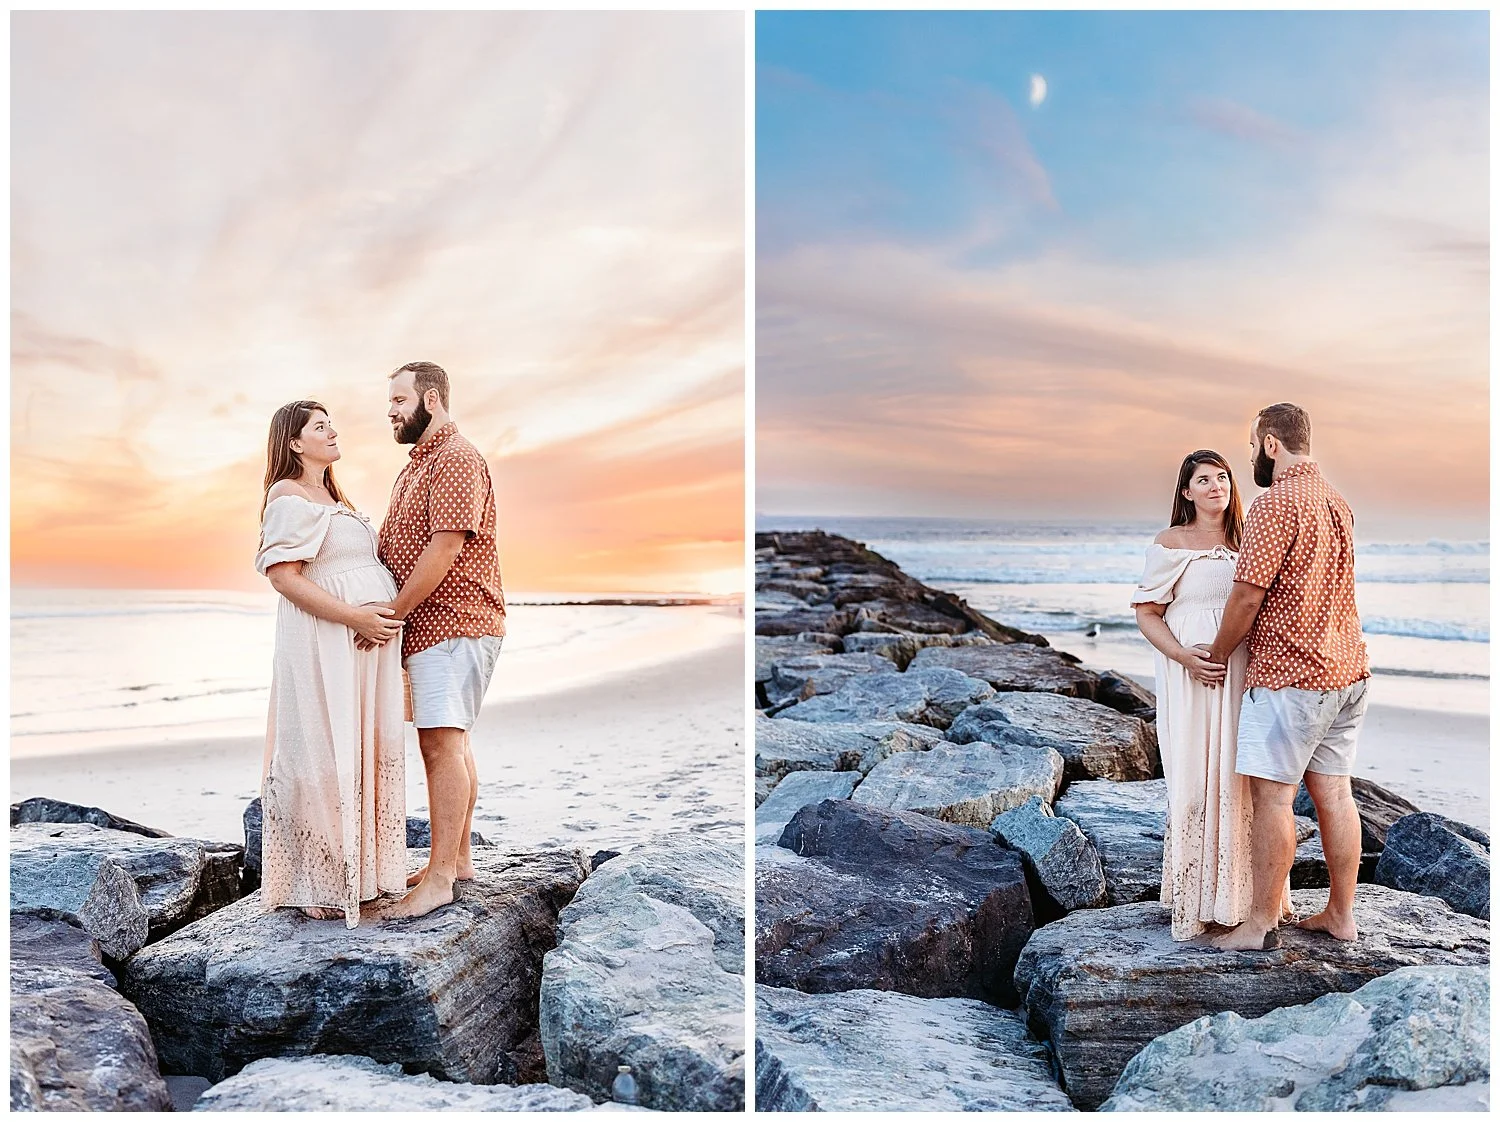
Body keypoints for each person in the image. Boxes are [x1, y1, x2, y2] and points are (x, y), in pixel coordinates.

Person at [1205, 402, 1370, 951]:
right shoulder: (1337, 503)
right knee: (1335, 795)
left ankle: (1257, 925)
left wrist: (1218, 651)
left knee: (1272, 801)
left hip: (1290, 676)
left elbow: (1248, 593)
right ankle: (1340, 916)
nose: (1252, 455)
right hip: (1347, 671)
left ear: (1271, 444)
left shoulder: (1274, 503)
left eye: (1254, 445)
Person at [254, 400, 408, 927]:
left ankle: (365, 873)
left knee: (361, 744)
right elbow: (285, 577)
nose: (332, 431)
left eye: (330, 422)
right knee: (324, 743)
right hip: (328, 642)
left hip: (364, 646)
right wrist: (355, 619)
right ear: (294, 442)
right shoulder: (288, 494)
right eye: (319, 426)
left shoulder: (333, 497)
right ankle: (319, 880)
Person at [1132, 449, 1293, 940]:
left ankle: (1248, 899)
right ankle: (1197, 899)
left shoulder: (1247, 539)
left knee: (1242, 777)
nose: (1216, 485)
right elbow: (1146, 613)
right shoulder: (1170, 543)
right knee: (1199, 771)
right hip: (1194, 675)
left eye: (1222, 477)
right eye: (1203, 479)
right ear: (1187, 492)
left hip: (1243, 669)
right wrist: (1183, 656)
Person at [372, 362, 507, 919]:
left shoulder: (454, 458)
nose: (392, 413)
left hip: (452, 621)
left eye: (400, 401)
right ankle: (458, 859)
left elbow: (446, 546)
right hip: (442, 626)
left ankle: (442, 878)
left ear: (432, 397)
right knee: (452, 741)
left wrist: (393, 614)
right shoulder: (422, 463)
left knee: (441, 745)